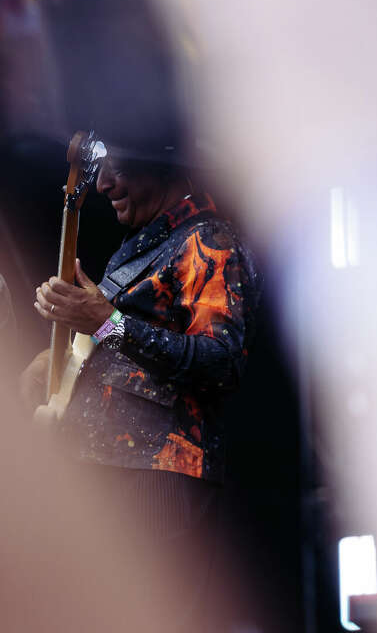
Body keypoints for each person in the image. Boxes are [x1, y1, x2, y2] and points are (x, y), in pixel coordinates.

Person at [18, 138, 260, 572]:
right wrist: (60, 364)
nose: (106, 183)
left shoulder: (210, 240)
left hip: (155, 479)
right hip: (104, 476)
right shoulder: (146, 244)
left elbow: (221, 362)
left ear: (159, 163)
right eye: (103, 170)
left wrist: (105, 322)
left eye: (118, 169)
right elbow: (119, 346)